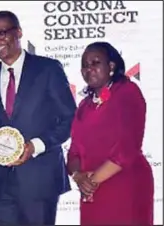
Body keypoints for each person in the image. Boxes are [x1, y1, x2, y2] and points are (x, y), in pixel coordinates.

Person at [0, 11, 77, 225]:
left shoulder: (47, 69)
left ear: (19, 32)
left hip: (39, 181)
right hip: (0, 184)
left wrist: (34, 146)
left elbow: (69, 119)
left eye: (2, 32)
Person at [66, 41, 154, 225]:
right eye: (84, 65)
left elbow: (127, 147)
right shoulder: (84, 105)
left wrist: (91, 182)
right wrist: (78, 176)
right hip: (92, 192)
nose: (88, 69)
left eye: (95, 63)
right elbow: (73, 152)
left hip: (125, 185)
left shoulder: (127, 92)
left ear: (111, 66)